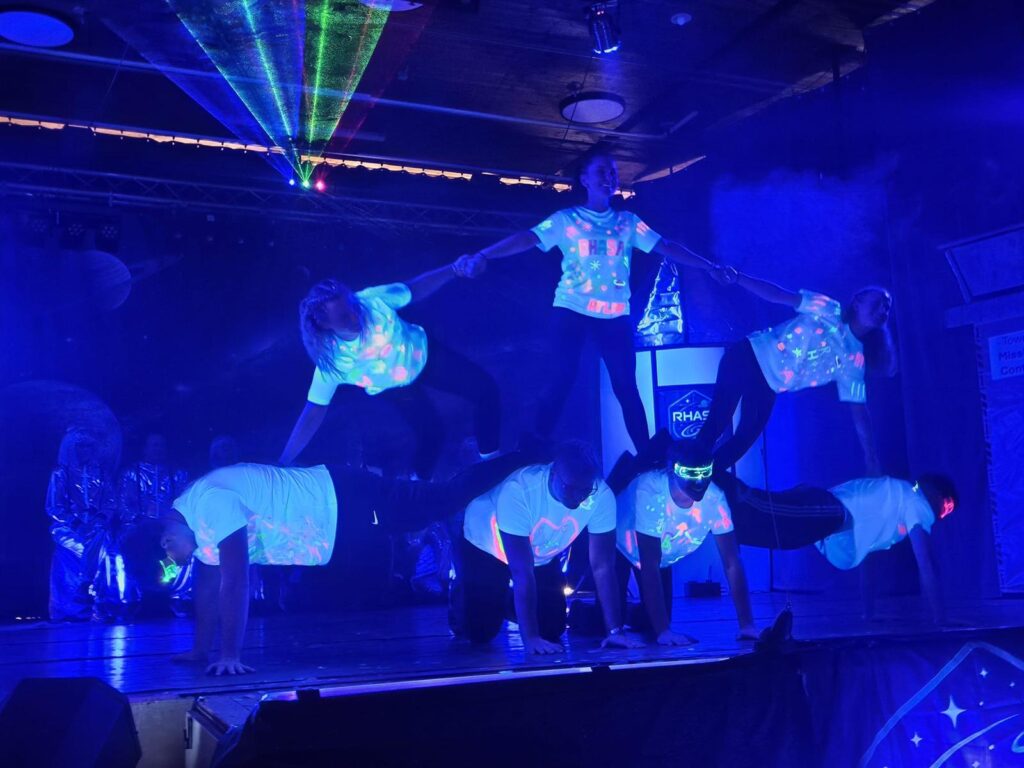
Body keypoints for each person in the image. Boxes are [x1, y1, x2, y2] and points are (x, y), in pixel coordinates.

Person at [161, 451, 540, 674]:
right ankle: (499, 480)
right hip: (337, 522)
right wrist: (200, 650)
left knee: (441, 498)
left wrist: (229, 655)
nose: (177, 564)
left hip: (346, 499)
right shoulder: (194, 523)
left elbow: (236, 581)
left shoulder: (211, 504)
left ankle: (524, 457)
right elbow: (209, 586)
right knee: (435, 505)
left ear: (166, 541)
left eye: (170, 561)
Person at [458, 151, 720, 453]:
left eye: (613, 172)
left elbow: (666, 246)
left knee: (626, 386)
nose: (609, 177)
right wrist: (484, 254)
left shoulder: (627, 222)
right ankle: (530, 447)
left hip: (615, 314)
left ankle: (647, 455)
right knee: (561, 378)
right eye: (601, 171)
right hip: (572, 308)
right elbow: (527, 238)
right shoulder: (567, 220)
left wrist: (708, 266)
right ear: (584, 179)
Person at [279, 256, 499, 479]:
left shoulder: (373, 301)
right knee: (431, 433)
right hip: (394, 387)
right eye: (344, 317)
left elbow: (415, 288)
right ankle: (418, 488)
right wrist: (283, 461)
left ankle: (492, 464)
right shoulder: (332, 361)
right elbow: (313, 411)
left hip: (424, 355)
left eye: (353, 306)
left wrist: (453, 269)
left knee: (485, 390)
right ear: (324, 324)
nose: (356, 316)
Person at [451, 441, 644, 654]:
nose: (578, 497)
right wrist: (531, 638)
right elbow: (521, 571)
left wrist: (615, 631)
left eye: (585, 490)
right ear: (553, 474)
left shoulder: (600, 496)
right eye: (570, 488)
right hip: (484, 544)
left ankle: (503, 601)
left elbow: (603, 566)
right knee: (478, 631)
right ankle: (464, 596)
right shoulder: (520, 490)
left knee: (551, 627)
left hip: (539, 552)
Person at [697, 270, 896, 474]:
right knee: (717, 423)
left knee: (743, 440)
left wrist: (871, 456)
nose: (884, 308)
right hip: (748, 356)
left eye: (887, 307)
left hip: (769, 385)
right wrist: (738, 278)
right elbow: (778, 295)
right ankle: (684, 463)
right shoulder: (829, 308)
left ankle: (701, 477)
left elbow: (859, 411)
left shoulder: (854, 359)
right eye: (879, 301)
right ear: (858, 302)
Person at [713, 467, 957, 625]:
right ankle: (710, 472)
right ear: (935, 495)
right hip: (829, 512)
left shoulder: (897, 501)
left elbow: (867, 557)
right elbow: (926, 562)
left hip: (828, 522)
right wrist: (941, 619)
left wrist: (869, 613)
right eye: (947, 507)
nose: (942, 515)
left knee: (770, 531)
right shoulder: (917, 502)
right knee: (765, 511)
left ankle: (713, 506)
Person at [613, 440, 758, 645]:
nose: (699, 482)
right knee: (606, 623)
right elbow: (648, 563)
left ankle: (635, 613)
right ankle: (583, 612)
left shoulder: (714, 499)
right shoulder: (651, 491)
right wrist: (664, 631)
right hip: (618, 544)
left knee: (651, 623)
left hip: (661, 555)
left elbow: (732, 562)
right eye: (690, 473)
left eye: (705, 473)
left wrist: (747, 625)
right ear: (672, 470)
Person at [46, 428, 116, 621]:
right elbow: (54, 507)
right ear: (71, 448)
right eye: (80, 446)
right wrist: (76, 523)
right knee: (85, 545)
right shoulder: (60, 474)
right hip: (66, 528)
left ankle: (92, 593)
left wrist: (100, 518)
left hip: (96, 527)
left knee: (101, 540)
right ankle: (73, 606)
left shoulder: (101, 474)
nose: (85, 450)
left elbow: (111, 503)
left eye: (89, 446)